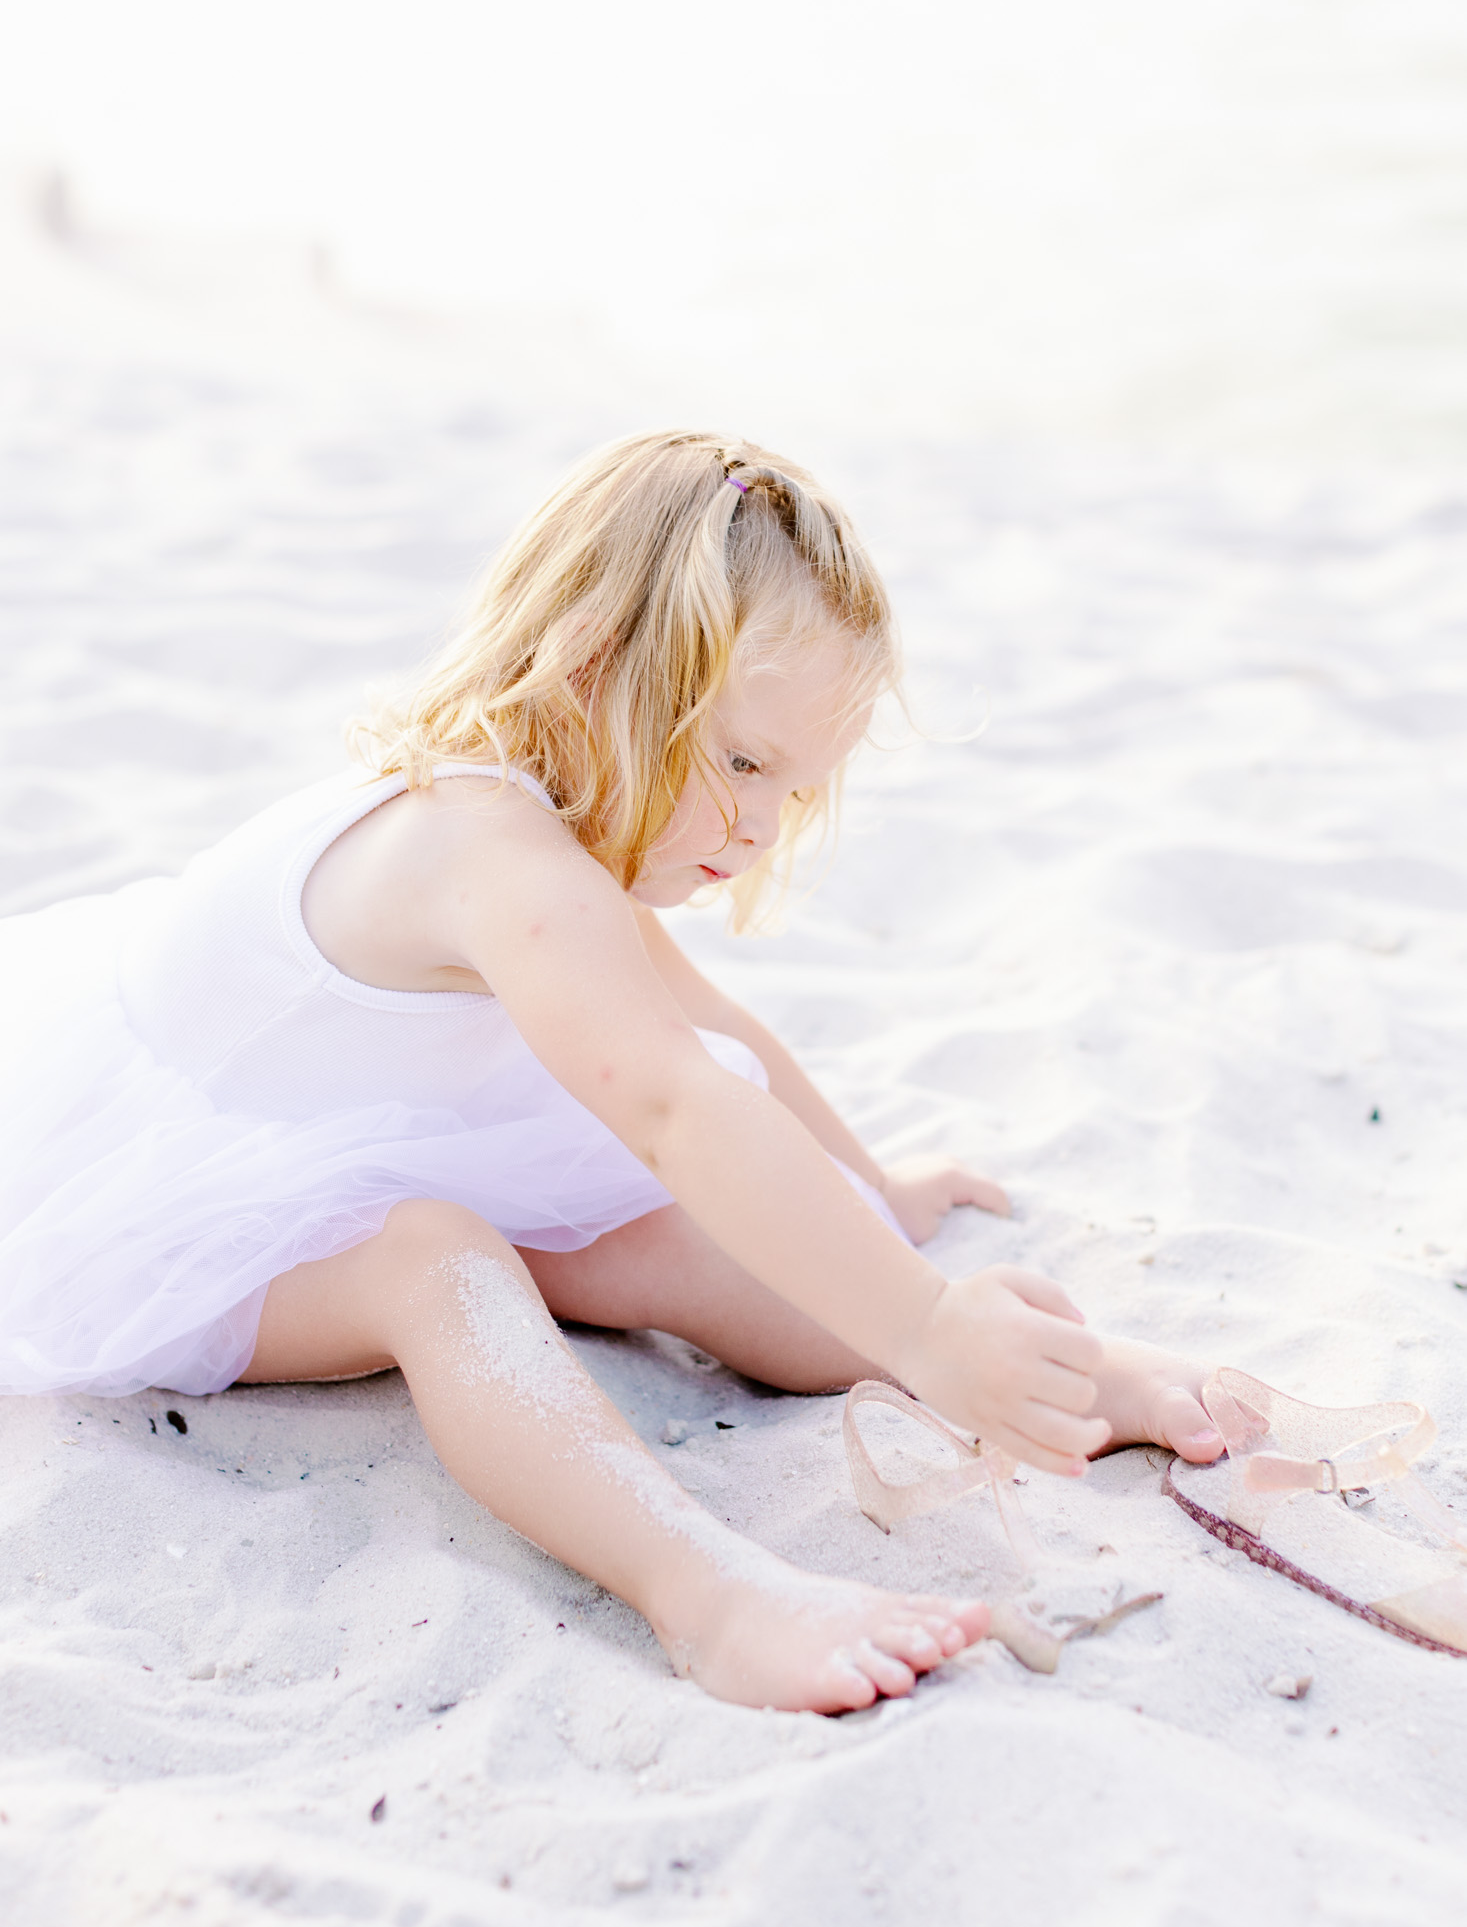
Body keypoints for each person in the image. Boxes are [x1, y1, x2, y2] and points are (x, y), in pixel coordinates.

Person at [0, 430, 1222, 1712]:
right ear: (591, 669)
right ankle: (707, 1591)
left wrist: (879, 1202)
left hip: (347, 1123)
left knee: (651, 1235)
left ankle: (1041, 1379)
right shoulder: (499, 860)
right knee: (439, 1259)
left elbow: (718, 1042)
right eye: (744, 764)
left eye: (795, 795)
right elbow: (676, 1107)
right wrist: (921, 1308)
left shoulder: (566, 817)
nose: (758, 830)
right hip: (158, 1190)